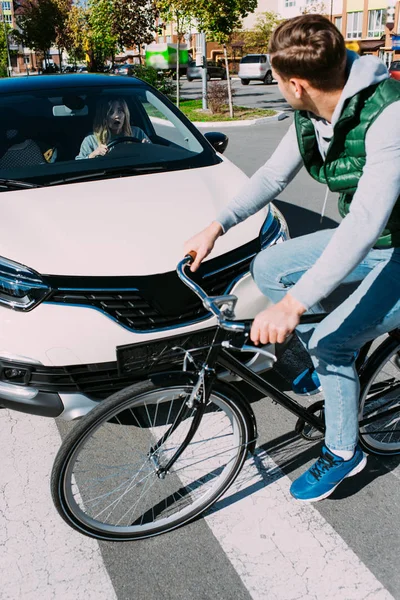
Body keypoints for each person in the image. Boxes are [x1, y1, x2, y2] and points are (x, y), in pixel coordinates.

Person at [183, 14, 400, 502]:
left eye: (276, 81)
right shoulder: (314, 110)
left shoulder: (389, 119)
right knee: (269, 268)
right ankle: (332, 368)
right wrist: (217, 225)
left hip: (388, 243)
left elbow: (364, 223)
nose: (275, 86)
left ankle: (345, 452)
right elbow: (271, 177)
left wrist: (295, 305)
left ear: (296, 84)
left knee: (328, 340)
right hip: (380, 239)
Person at [76, 97, 150, 160]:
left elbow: (153, 155)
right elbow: (78, 165)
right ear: (103, 117)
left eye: (120, 111)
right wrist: (93, 155)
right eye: (111, 112)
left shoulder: (137, 133)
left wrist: (147, 148)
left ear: (125, 114)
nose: (117, 116)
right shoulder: (91, 139)